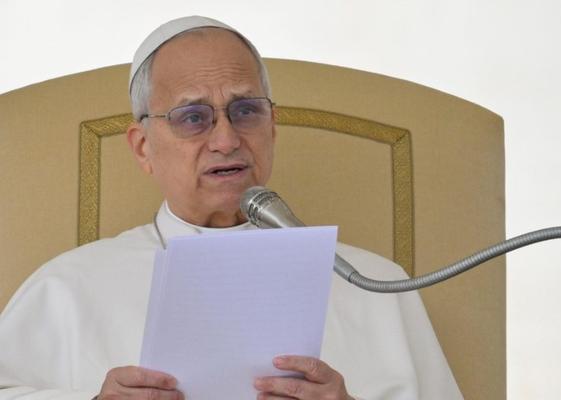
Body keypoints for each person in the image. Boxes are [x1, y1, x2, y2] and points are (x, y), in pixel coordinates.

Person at [0, 16, 463, 400]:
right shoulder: (67, 287)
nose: (226, 140)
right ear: (143, 148)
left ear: (272, 127)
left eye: (245, 111)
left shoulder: (376, 285)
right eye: (192, 117)